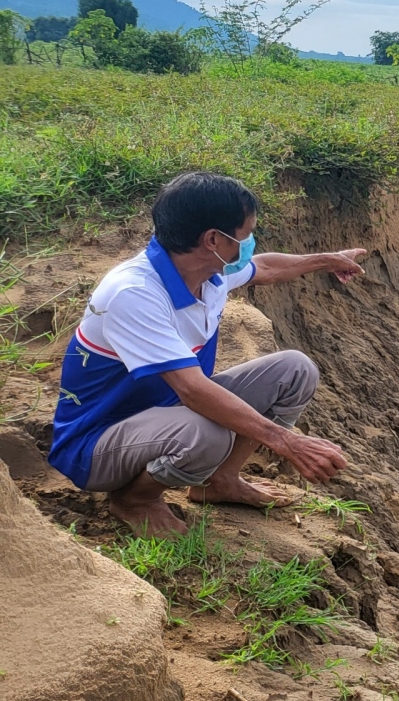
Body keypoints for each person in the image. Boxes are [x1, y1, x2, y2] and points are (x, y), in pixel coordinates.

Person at [47, 171, 366, 536]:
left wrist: (328, 259)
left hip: (164, 414)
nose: (249, 244)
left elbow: (263, 267)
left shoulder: (207, 271)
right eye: (244, 236)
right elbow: (193, 391)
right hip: (98, 443)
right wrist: (286, 441)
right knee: (207, 433)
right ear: (213, 239)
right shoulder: (134, 293)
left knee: (294, 370)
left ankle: (220, 482)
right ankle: (135, 500)